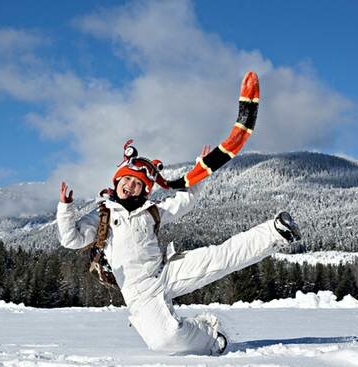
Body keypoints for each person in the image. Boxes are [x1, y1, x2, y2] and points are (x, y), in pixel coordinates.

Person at [56, 73, 301, 355]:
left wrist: (201, 171)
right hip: (139, 293)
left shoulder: (152, 211)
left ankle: (276, 231)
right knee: (163, 341)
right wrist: (66, 208)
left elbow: (184, 201)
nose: (130, 186)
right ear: (117, 181)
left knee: (221, 257)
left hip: (166, 270)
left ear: (144, 190)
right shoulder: (102, 215)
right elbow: (71, 240)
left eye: (137, 183)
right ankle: (209, 336)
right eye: (127, 180)